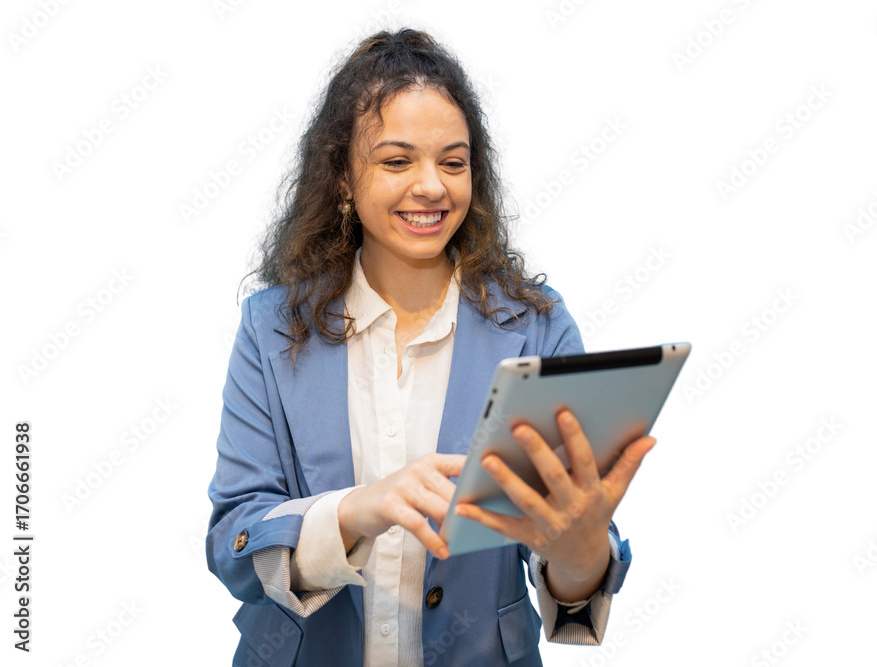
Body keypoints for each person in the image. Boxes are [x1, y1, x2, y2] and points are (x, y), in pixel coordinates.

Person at [206, 28, 657, 666]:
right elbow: (234, 545)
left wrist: (580, 549)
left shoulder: (537, 326)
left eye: (453, 161)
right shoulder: (271, 328)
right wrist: (360, 508)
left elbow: (572, 585)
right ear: (342, 178)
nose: (432, 187)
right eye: (396, 162)